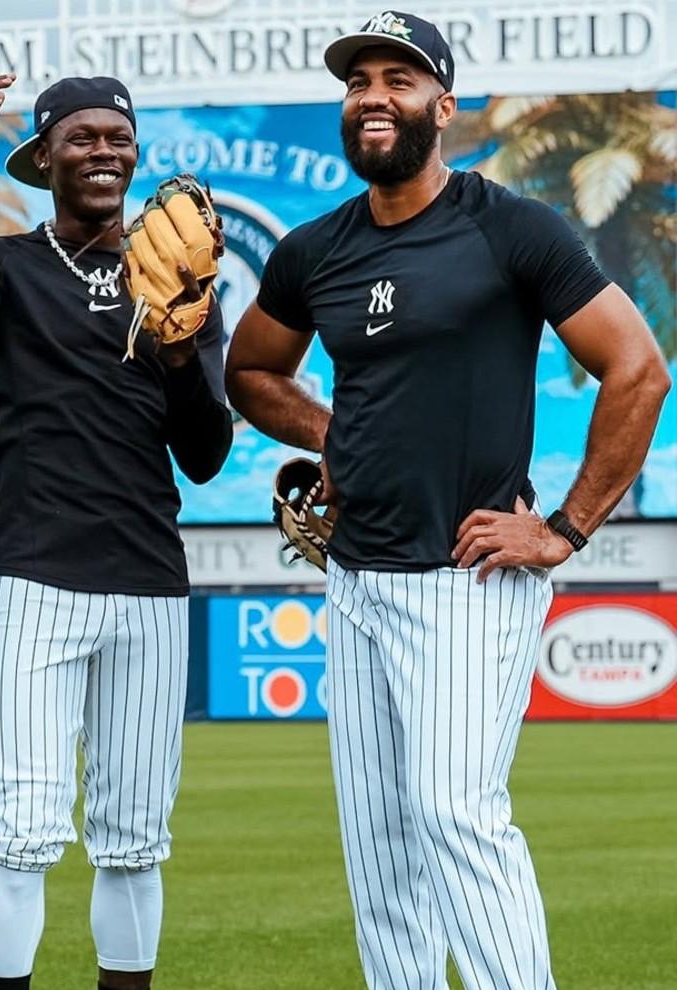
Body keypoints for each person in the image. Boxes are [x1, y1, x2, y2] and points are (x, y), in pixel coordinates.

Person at [226, 11, 670, 990]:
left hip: (467, 579)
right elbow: (251, 372)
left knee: (456, 814)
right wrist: (326, 432)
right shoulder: (315, 250)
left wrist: (564, 529)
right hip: (355, 582)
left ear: (443, 103)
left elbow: (637, 369)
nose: (374, 96)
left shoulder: (507, 226)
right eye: (357, 82)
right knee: (381, 856)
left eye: (398, 78)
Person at [0, 57, 233, 990]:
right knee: (21, 832)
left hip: (147, 587)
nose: (104, 152)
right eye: (83, 137)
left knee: (134, 842)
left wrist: (180, 348)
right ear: (43, 154)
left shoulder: (176, 275)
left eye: (119, 139)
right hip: (33, 583)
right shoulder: (3, 266)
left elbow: (206, 455)